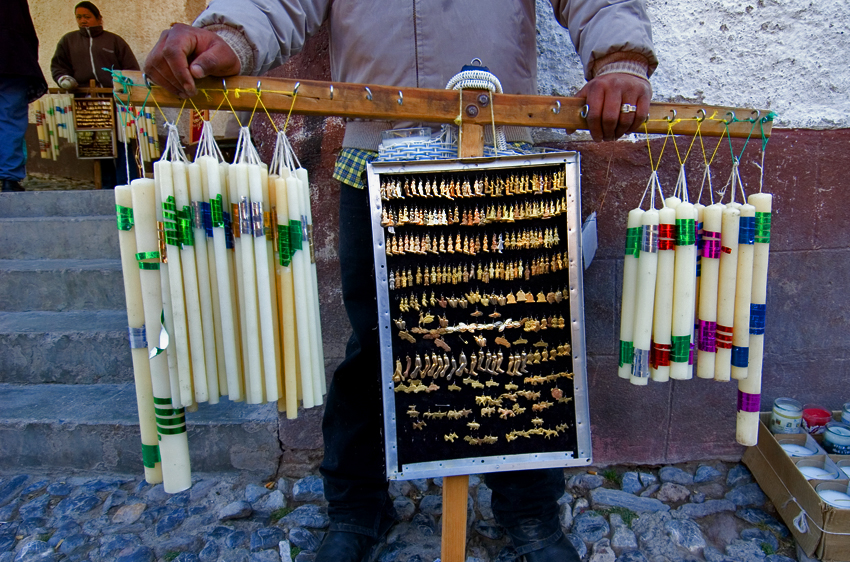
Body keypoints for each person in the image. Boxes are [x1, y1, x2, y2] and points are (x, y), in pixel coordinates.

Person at [145, 2, 657, 560]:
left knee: (519, 345)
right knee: (378, 342)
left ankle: (529, 510)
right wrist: (229, 35)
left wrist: (620, 58)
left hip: (500, 155)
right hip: (377, 152)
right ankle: (357, 505)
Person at [51, 1, 140, 188]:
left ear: (99, 18)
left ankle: (127, 184)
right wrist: (64, 79)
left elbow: (131, 69)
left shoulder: (114, 41)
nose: (83, 20)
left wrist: (123, 86)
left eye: (87, 16)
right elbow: (58, 66)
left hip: (114, 101)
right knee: (98, 145)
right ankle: (105, 186)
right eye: (79, 17)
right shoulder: (68, 41)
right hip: (86, 102)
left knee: (122, 142)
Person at [0, 0, 47, 192]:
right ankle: (10, 179)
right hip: (14, 60)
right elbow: (29, 33)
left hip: (15, 58)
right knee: (11, 118)